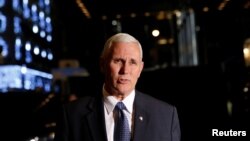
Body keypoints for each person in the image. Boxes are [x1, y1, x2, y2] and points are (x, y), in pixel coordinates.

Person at [54, 33, 181, 141]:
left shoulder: (166, 116)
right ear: (102, 65)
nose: (125, 70)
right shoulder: (72, 115)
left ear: (140, 69)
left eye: (133, 62)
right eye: (118, 61)